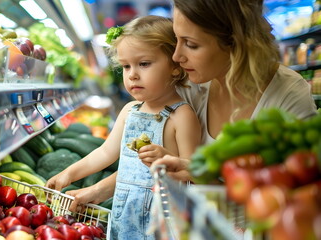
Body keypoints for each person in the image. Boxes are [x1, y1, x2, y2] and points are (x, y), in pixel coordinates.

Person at [59, 0, 318, 211]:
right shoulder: (189, 84)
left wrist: (200, 175)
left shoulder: (287, 95)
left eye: (191, 44)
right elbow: (147, 168)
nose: (176, 56)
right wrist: (94, 191)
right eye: (177, 39)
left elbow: (297, 199)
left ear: (235, 42)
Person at [46, 15, 201, 239]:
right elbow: (105, 153)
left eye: (144, 64)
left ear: (175, 67)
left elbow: (194, 175)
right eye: (126, 66)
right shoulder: (130, 110)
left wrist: (167, 159)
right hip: (123, 212)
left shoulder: (181, 115)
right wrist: (68, 174)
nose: (132, 74)